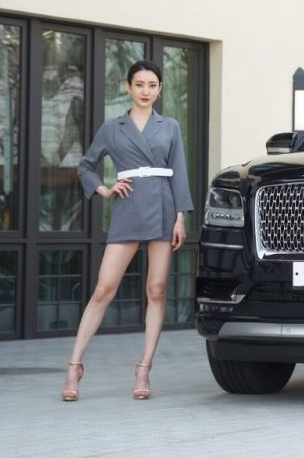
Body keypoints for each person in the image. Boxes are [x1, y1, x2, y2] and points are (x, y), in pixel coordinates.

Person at [61, 60, 194, 401]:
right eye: (139, 84)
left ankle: (144, 369)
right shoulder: (113, 126)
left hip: (164, 208)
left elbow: (178, 171)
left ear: (160, 89)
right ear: (128, 88)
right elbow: (86, 165)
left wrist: (180, 217)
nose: (146, 91)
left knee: (157, 289)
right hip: (128, 208)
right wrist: (104, 189)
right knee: (103, 290)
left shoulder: (171, 126)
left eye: (152, 85)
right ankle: (74, 366)